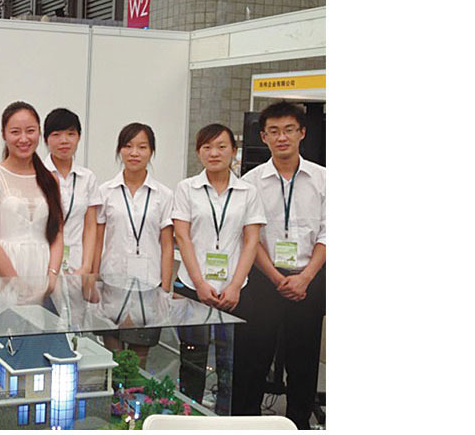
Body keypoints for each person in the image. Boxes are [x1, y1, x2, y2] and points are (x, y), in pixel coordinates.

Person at [239, 101, 326, 429]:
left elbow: (329, 232)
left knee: (303, 361)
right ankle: (247, 425)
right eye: (274, 131)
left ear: (302, 133)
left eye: (289, 130)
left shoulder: (323, 179)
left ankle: (298, 424)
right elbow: (250, 237)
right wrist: (276, 278)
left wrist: (306, 277)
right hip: (264, 280)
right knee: (254, 358)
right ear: (263, 136)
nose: (282, 137)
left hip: (309, 279)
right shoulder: (250, 182)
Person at [171, 123, 266, 415]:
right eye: (207, 147)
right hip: (193, 286)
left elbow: (251, 240)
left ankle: (225, 419)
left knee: (231, 362)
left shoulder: (248, 191)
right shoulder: (187, 188)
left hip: (234, 290)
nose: (214, 153)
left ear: (233, 152)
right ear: (199, 152)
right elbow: (182, 237)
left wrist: (235, 285)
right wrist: (200, 284)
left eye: (221, 147)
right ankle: (190, 418)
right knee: (192, 359)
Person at [95, 123, 175, 369]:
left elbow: (167, 245)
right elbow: (97, 239)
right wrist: (93, 280)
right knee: (114, 362)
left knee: (139, 363)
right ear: (119, 150)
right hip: (111, 284)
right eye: (128, 146)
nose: (134, 153)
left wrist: (165, 288)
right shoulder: (105, 191)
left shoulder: (163, 194)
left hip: (149, 287)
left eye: (142, 147)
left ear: (151, 152)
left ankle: (135, 395)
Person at [0, 101, 64, 281]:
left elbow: (57, 233)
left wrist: (52, 277)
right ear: (4, 134)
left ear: (39, 132)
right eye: (15, 132)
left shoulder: (50, 179)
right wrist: (16, 284)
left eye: (30, 131)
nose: (23, 139)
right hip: (2, 274)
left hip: (43, 271)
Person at [42, 108, 102, 274]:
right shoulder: (37, 175)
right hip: (43, 263)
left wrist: (86, 266)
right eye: (56, 135)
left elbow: (90, 226)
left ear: (79, 137)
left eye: (70, 134)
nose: (64, 141)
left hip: (76, 264)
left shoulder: (87, 178)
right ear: (46, 139)